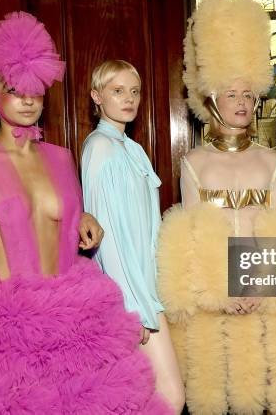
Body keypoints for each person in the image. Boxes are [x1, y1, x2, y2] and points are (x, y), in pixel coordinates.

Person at [0, 12, 170, 414]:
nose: (27, 100)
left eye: (35, 91)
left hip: (68, 322)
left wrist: (84, 220)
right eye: (15, 90)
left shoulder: (62, 157)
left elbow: (71, 226)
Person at [157, 0, 276, 415]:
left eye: (249, 95)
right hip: (214, 308)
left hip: (266, 301)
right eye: (232, 94)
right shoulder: (194, 163)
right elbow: (191, 239)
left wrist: (262, 287)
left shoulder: (272, 161)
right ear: (212, 99)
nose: (242, 103)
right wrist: (221, 292)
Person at [81, 59, 185, 413]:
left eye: (135, 91)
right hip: (131, 296)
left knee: (144, 396)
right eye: (117, 91)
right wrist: (131, 307)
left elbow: (149, 228)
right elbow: (102, 237)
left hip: (149, 288)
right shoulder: (99, 147)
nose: (129, 99)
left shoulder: (133, 148)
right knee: (171, 396)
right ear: (97, 96)